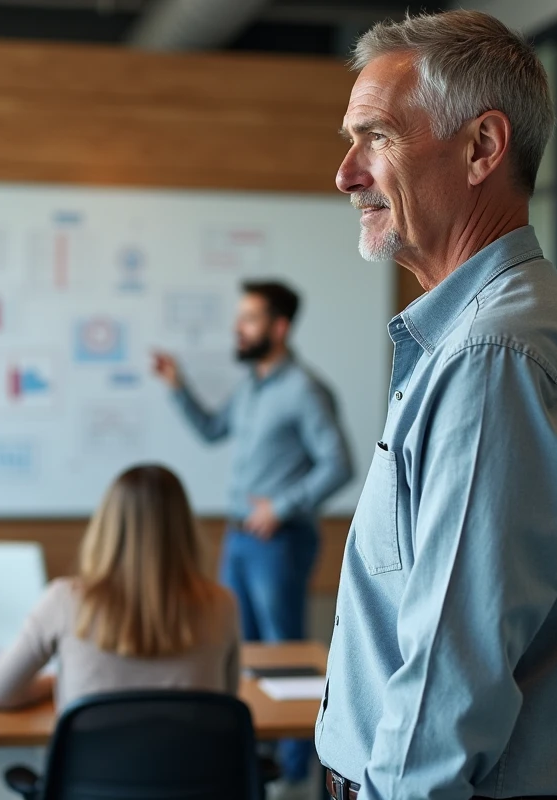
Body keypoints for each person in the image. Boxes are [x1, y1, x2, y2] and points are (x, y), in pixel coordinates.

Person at [317, 11, 557, 800]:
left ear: (481, 148)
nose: (346, 173)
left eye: (378, 137)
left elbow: (447, 680)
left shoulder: (494, 356)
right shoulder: (507, 332)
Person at [152, 281, 352, 786]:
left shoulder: (303, 389)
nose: (237, 329)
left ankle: (294, 775)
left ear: (278, 328)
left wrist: (282, 507)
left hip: (278, 542)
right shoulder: (252, 388)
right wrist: (178, 386)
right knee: (241, 651)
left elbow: (339, 464)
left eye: (249, 320)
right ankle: (252, 765)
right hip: (238, 538)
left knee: (285, 658)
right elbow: (211, 431)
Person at [0, 464, 240, 710]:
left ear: (107, 525)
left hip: (89, 758)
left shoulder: (63, 600)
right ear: (185, 528)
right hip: (195, 757)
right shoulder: (222, 605)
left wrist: (56, 683)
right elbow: (226, 699)